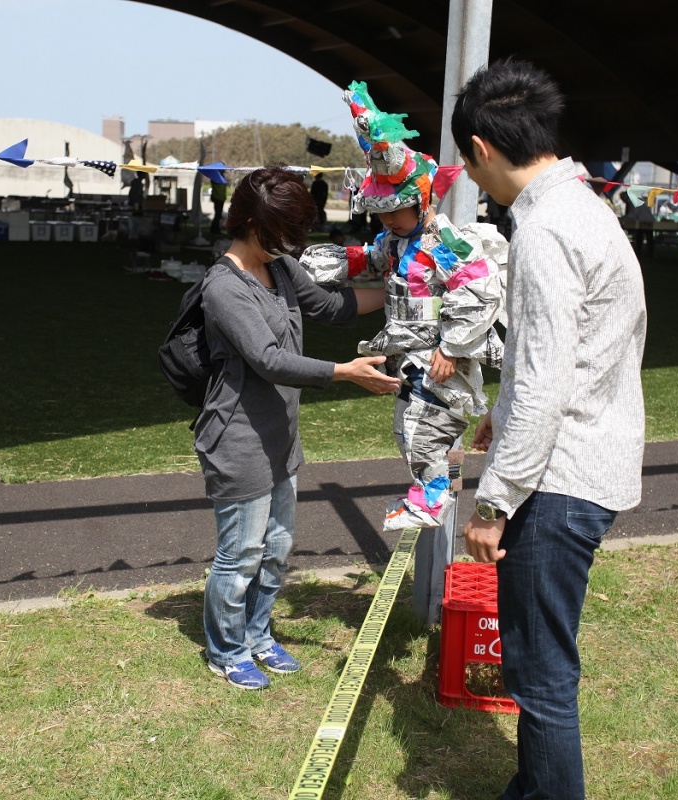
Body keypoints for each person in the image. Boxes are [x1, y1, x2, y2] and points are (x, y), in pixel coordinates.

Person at [452, 59, 647, 800]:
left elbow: (541, 382)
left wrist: (494, 501)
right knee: (543, 663)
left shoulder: (543, 232)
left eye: (470, 168)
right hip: (585, 457)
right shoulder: (587, 209)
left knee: (540, 675)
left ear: (481, 150)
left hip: (560, 481)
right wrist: (502, 420)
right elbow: (588, 348)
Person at [198, 166, 400, 690]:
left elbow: (332, 307)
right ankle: (227, 649)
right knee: (240, 552)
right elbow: (269, 360)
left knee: (278, 545)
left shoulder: (281, 267)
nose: (286, 245)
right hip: (238, 439)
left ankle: (259, 634)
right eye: (277, 234)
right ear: (245, 222)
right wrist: (344, 372)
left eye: (293, 235)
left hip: (281, 435)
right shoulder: (224, 287)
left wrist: (401, 288)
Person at [299, 82, 507, 532]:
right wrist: (338, 261)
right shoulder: (396, 240)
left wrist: (452, 348)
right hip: (408, 356)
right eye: (381, 211)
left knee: (423, 431)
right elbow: (372, 257)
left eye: (396, 209)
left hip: (436, 358)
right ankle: (426, 493)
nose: (388, 219)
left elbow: (481, 290)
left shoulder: (443, 242)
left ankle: (431, 501)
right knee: (408, 431)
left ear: (422, 199)